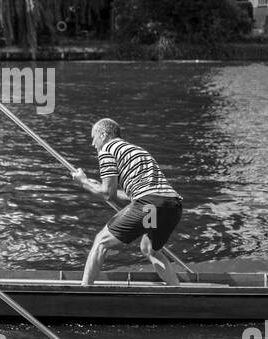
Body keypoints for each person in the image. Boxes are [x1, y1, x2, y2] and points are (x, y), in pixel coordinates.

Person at [71, 118, 184, 286]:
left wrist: (83, 182)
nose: (93, 144)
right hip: (172, 206)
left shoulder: (107, 149)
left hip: (150, 205)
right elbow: (130, 195)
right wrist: (94, 184)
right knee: (150, 249)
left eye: (94, 138)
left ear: (104, 134)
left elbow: (107, 194)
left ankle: (83, 291)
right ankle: (178, 292)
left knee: (101, 241)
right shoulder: (137, 150)